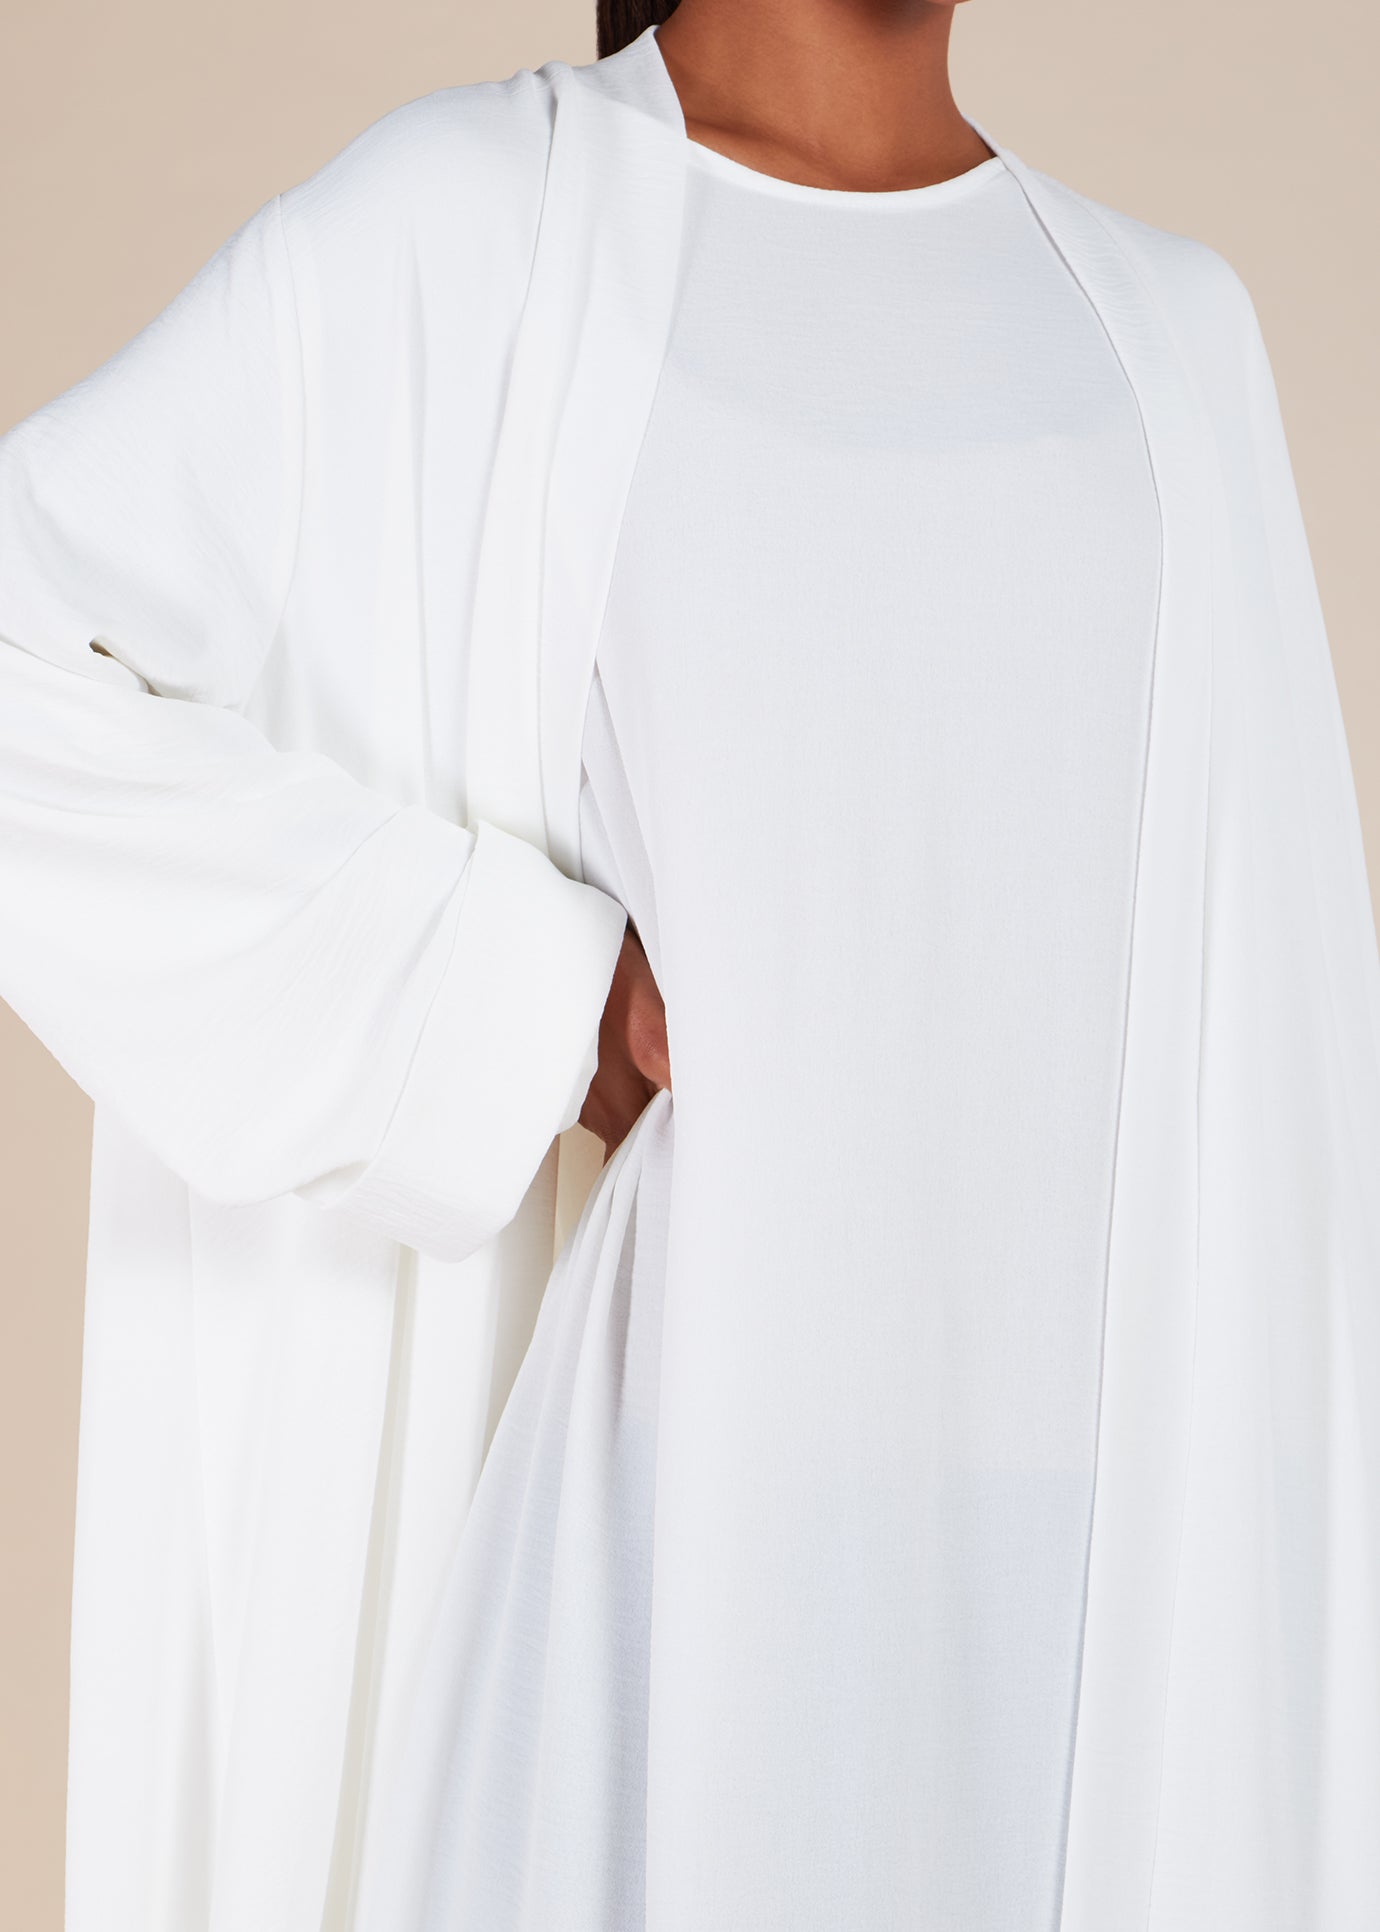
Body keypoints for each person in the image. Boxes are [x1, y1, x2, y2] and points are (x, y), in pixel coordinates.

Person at [1, 4, 1377, 1930]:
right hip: (660, 1627)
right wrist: (518, 1003)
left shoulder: (1174, 342)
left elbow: (1285, 1127)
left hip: (1092, 1655)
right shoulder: (477, 231)